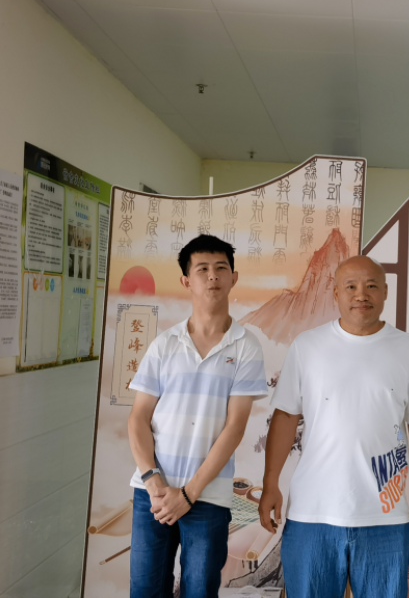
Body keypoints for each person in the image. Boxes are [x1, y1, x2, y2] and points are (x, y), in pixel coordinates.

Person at [259, 255, 409, 598]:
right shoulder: (307, 346)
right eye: (351, 286)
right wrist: (270, 484)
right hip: (313, 513)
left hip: (384, 517)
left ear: (385, 292)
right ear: (335, 293)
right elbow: (285, 417)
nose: (361, 294)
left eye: (371, 286)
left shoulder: (408, 349)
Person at [127, 234, 267, 598]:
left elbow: (235, 427)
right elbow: (138, 418)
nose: (213, 276)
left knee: (200, 590)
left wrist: (189, 494)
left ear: (234, 278)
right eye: (202, 268)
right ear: (186, 280)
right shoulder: (165, 344)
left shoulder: (246, 346)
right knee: (145, 589)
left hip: (208, 495)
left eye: (221, 267)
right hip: (152, 492)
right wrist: (154, 482)